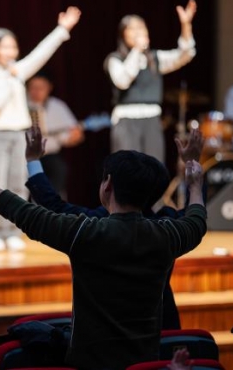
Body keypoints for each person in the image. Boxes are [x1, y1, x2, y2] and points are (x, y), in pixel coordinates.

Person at [0, 147, 207, 369]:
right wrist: (195, 184)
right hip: (145, 360)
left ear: (107, 185)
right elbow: (197, 220)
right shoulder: (166, 235)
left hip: (90, 363)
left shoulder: (87, 232)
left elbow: (23, 212)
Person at [24, 126, 204, 330]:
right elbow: (195, 213)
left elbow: (52, 204)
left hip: (103, 333)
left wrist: (33, 160)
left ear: (107, 184)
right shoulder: (166, 226)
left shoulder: (92, 226)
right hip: (160, 329)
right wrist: (193, 164)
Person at [0, 6, 81, 252]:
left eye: (14, 47)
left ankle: (12, 230)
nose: (11, 51)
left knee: (18, 184)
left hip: (18, 134)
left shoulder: (16, 71)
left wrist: (62, 29)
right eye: (5, 47)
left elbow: (40, 54)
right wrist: (12, 79)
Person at [104, 0, 197, 164]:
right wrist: (137, 50)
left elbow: (184, 55)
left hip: (152, 120)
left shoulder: (154, 58)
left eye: (141, 27)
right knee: (128, 170)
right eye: (132, 29)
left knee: (153, 169)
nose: (138, 32)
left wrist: (186, 26)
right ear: (123, 34)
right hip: (126, 121)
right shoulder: (115, 59)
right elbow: (123, 81)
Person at [26, 71, 84, 198]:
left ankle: (56, 208)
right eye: (33, 88)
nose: (36, 92)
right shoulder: (21, 105)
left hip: (49, 155)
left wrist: (75, 136)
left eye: (41, 88)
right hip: (25, 157)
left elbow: (70, 136)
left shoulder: (57, 106)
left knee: (59, 169)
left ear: (49, 88)